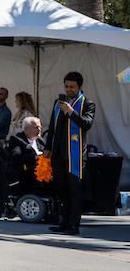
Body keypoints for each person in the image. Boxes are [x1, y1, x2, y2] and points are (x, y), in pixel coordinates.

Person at [44, 72, 96, 235]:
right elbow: (52, 127)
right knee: (62, 189)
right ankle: (63, 222)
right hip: (58, 153)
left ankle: (74, 225)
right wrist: (47, 147)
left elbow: (87, 124)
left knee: (75, 191)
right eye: (66, 86)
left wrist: (71, 111)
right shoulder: (58, 102)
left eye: (72, 87)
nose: (69, 90)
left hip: (76, 155)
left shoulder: (87, 103)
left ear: (79, 87)